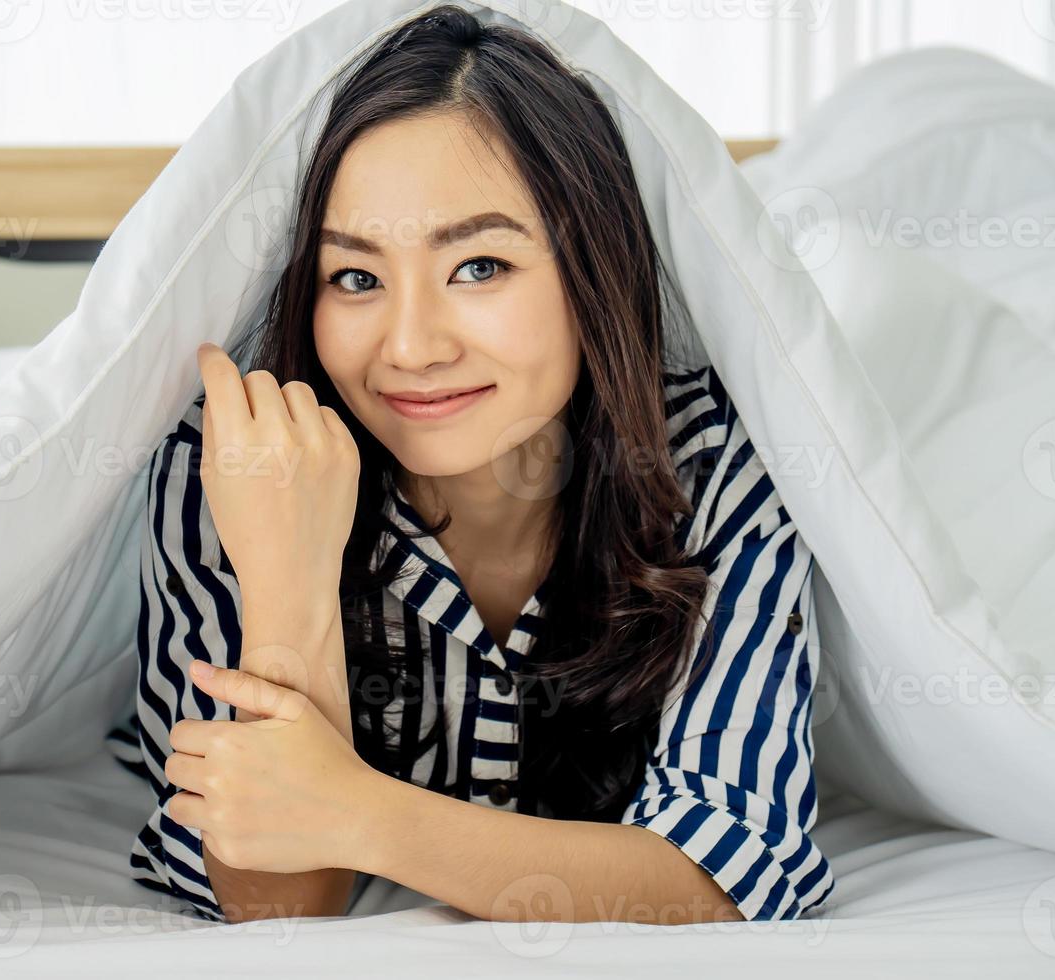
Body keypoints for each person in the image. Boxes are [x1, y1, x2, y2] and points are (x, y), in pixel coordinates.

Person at [103, 4, 834, 927]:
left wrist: (359, 816)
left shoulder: (716, 465)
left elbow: (729, 881)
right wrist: (288, 578)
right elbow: (272, 908)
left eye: (480, 267)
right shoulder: (240, 464)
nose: (410, 347)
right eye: (356, 278)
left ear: (593, 269)